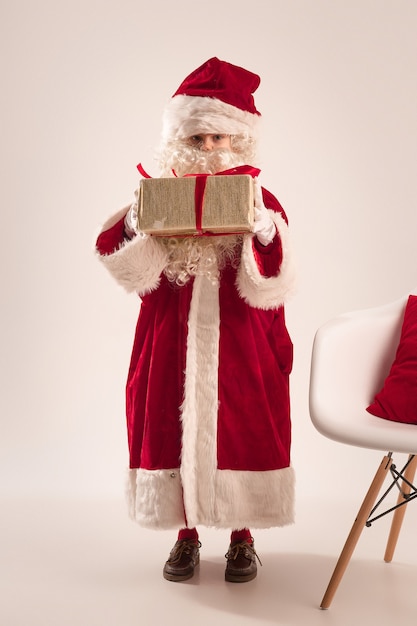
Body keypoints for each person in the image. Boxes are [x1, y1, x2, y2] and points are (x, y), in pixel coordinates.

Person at [95, 57, 296, 583]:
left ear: (238, 141)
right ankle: (185, 537)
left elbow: (275, 277)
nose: (207, 149)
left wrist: (265, 232)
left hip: (241, 341)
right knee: (170, 426)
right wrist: (136, 224)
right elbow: (125, 265)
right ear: (180, 139)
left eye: (219, 138)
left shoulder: (260, 198)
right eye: (198, 138)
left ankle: (241, 538)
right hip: (170, 338)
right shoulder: (158, 193)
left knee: (241, 430)